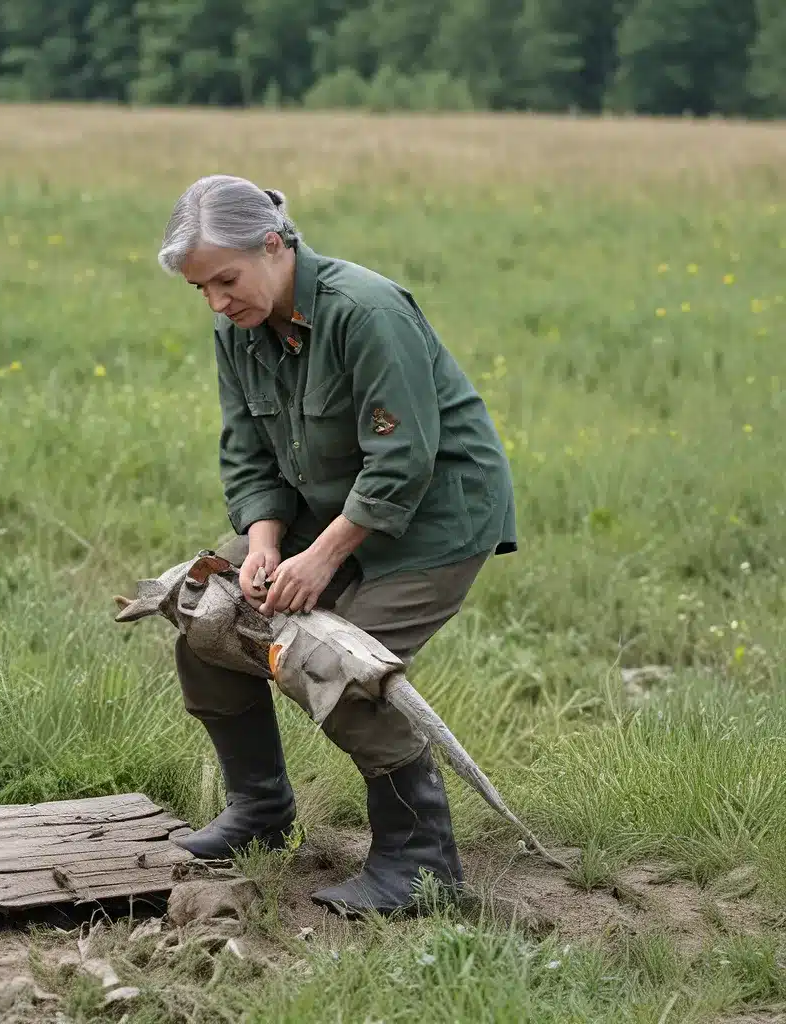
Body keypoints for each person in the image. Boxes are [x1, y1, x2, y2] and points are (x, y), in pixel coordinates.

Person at [154, 174, 517, 917]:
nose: (219, 303)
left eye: (227, 279)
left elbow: (404, 460)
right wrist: (261, 545)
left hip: (434, 520)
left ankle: (420, 869)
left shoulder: (366, 310)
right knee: (209, 624)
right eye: (202, 290)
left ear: (275, 244)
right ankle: (260, 812)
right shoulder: (238, 328)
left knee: (341, 668)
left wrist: (320, 559)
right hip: (319, 516)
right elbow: (249, 453)